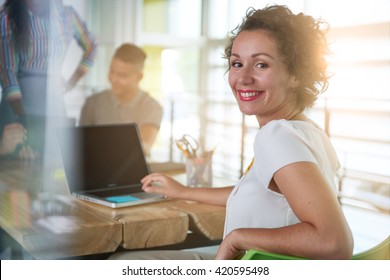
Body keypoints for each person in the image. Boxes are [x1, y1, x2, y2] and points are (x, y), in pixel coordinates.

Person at [110, 5, 354, 260]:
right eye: (237, 63)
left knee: (120, 263)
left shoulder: (275, 136)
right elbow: (259, 194)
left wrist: (238, 237)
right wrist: (183, 191)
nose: (243, 77)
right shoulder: (308, 130)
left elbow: (334, 242)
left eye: (261, 64)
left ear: (295, 74)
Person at [0, 0, 97, 156]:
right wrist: (24, 120)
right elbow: (8, 73)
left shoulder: (67, 15)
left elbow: (92, 46)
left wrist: (71, 82)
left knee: (56, 162)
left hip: (54, 106)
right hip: (17, 107)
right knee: (14, 166)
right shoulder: (6, 17)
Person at [79, 43, 163, 157]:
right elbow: (80, 146)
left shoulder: (151, 106)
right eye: (112, 72)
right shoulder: (92, 103)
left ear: (139, 77)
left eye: (122, 75)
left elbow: (145, 147)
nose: (114, 79)